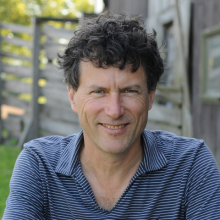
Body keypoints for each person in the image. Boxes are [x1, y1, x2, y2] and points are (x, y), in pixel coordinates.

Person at [3, 12, 220, 220]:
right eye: (99, 92)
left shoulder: (191, 165)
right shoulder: (40, 165)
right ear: (73, 97)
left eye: (129, 91)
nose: (114, 111)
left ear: (150, 97)